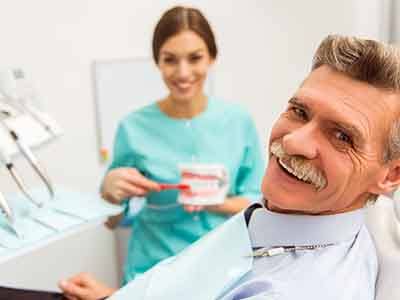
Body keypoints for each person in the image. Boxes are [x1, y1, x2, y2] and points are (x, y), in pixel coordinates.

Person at [60, 34, 400, 299]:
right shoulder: (283, 215)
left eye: (341, 135)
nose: (294, 142)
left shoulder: (290, 286)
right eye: (299, 111)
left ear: (391, 175)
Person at [98, 5, 264, 285]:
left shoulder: (238, 121)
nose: (183, 72)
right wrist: (109, 194)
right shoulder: (133, 127)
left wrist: (215, 201)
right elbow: (112, 220)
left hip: (223, 270)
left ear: (212, 57)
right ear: (157, 62)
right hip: (153, 273)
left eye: (195, 58)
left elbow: (260, 203)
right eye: (170, 60)